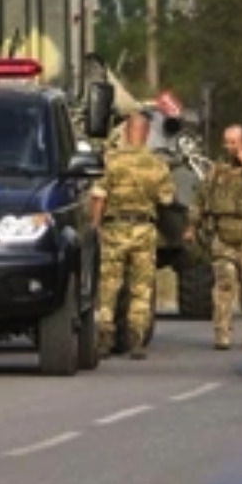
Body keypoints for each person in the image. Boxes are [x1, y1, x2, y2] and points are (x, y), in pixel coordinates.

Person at [91, 110, 176, 360]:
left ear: (126, 132)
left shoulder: (110, 160)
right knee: (141, 287)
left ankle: (104, 336)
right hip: (143, 229)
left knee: (108, 284)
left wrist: (94, 226)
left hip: (113, 228)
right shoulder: (157, 164)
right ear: (147, 134)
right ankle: (136, 339)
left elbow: (98, 196)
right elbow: (166, 198)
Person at [191, 124, 242, 351]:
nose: (230, 148)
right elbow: (200, 197)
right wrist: (192, 224)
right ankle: (222, 331)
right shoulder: (217, 170)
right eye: (227, 142)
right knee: (224, 283)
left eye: (234, 143)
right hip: (223, 234)